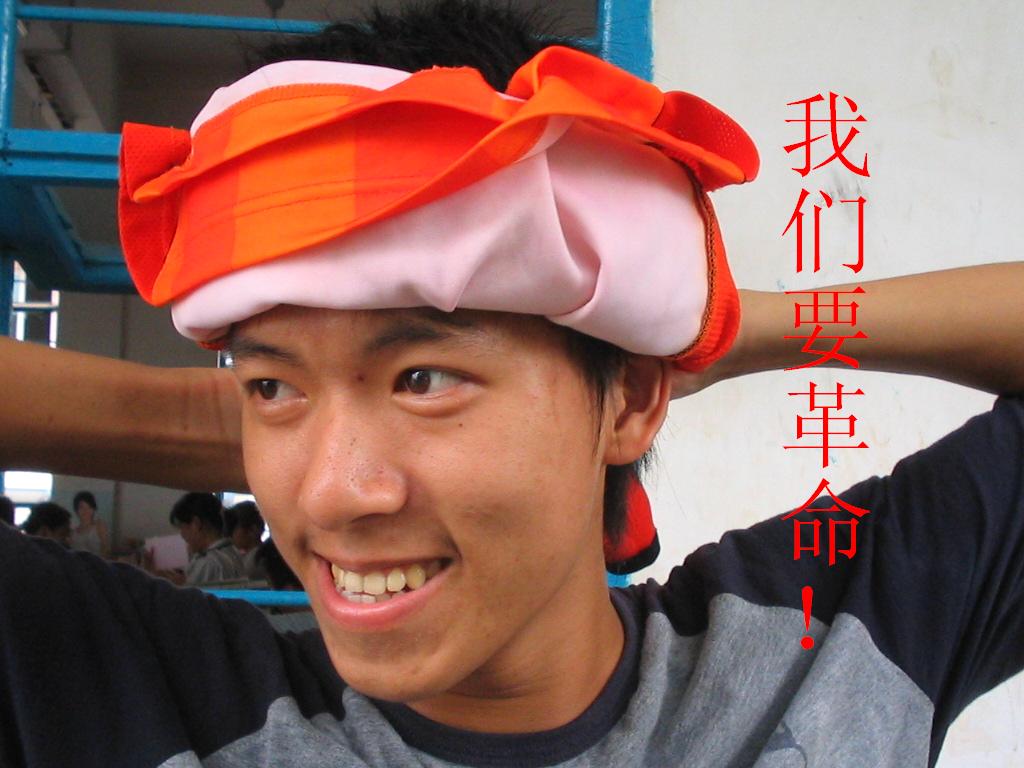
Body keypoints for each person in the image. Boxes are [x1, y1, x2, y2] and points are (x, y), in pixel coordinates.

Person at [0, 3, 1021, 767]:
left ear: (630, 400)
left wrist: (708, 321)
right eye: (270, 388)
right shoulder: (133, 695)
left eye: (422, 377)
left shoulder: (822, 647)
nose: (328, 493)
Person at [167, 492, 245, 585]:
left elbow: (192, 593)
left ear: (196, 524)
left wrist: (179, 585)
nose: (182, 535)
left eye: (182, 527)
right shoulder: (232, 553)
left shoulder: (209, 563)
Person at [223, 499, 267, 579]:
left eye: (232, 528)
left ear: (252, 530)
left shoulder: (255, 560)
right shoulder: (260, 555)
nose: (230, 535)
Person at [68, 490, 111, 558]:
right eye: (82, 507)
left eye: (89, 507)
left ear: (93, 509)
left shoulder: (99, 526)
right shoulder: (72, 533)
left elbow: (106, 549)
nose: (86, 511)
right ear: (76, 510)